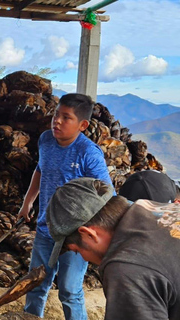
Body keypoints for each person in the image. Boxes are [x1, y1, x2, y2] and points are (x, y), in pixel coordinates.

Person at [17, 93, 112, 319]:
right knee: (36, 284)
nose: (56, 121)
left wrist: (93, 233)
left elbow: (107, 194)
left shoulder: (89, 154)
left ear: (83, 125)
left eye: (66, 117)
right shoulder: (46, 140)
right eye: (56, 115)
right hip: (45, 230)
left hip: (74, 238)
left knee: (70, 291)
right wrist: (27, 202)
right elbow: (40, 170)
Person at [47, 177, 180, 319]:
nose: (83, 258)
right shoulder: (154, 208)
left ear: (89, 234)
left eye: (76, 251)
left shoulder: (126, 268)